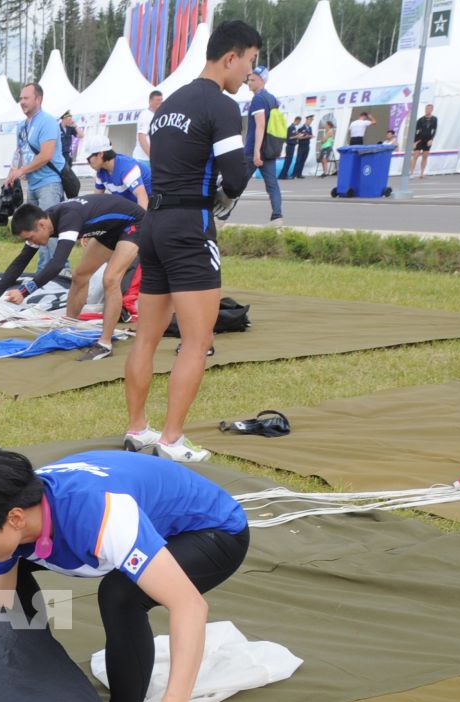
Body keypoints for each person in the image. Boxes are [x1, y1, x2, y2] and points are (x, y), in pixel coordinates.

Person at [0, 444, 249, 702]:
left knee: (121, 594)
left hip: (212, 531)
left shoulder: (101, 517)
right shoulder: (11, 514)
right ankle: (45, 674)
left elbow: (189, 606)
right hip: (122, 510)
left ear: (15, 518)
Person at [122, 18, 260, 463]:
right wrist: (226, 192)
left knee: (146, 338)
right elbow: (235, 178)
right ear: (230, 58)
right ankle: (172, 439)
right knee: (197, 342)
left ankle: (138, 428)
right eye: (250, 64)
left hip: (154, 224)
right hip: (189, 226)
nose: (250, 76)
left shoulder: (168, 106)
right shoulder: (220, 106)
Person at [0, 195, 143, 360]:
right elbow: (21, 261)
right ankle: (70, 327)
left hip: (134, 224)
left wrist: (24, 291)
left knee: (110, 279)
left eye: (30, 238)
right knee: (80, 275)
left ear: (41, 225)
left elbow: (57, 264)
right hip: (110, 230)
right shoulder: (43, 221)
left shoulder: (68, 219)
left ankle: (105, 344)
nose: (31, 242)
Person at [4, 82, 66, 272]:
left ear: (38, 99)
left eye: (26, 98)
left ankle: (61, 270)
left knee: (50, 229)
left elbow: (47, 154)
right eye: (20, 98)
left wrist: (22, 171)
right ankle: (43, 271)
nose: (22, 102)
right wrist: (12, 172)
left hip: (49, 183)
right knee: (36, 232)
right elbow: (19, 152)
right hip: (32, 184)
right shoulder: (22, 126)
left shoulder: (47, 122)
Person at [244, 67, 285, 224]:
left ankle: (221, 216)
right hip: (269, 149)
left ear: (262, 81)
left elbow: (260, 125)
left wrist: (256, 152)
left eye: (253, 79)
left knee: (237, 183)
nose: (249, 82)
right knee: (272, 185)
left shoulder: (258, 99)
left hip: (255, 150)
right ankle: (277, 216)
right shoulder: (272, 98)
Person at [87, 144, 151, 209]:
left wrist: (143, 219)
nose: (88, 163)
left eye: (88, 159)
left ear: (100, 154)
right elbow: (96, 199)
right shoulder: (101, 171)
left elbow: (142, 197)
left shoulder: (126, 167)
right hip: (130, 205)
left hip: (150, 206)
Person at [411, 104, 438, 178]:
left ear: (432, 110)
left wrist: (431, 139)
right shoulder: (420, 120)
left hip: (428, 139)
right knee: (415, 155)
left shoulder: (434, 119)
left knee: (425, 156)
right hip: (419, 139)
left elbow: (434, 130)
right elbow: (415, 131)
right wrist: (415, 142)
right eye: (426, 109)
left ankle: (422, 173)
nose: (427, 110)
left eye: (429, 109)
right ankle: (411, 172)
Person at [138, 90, 164, 160]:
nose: (160, 102)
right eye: (157, 100)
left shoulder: (159, 115)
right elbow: (141, 138)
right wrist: (151, 156)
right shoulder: (145, 115)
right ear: (150, 101)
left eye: (161, 100)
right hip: (143, 159)